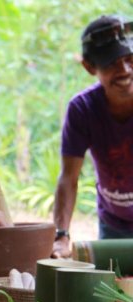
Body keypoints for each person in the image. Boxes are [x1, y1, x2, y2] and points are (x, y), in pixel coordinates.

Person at [52, 15, 133, 258]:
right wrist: (61, 236)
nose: (125, 70)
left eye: (130, 60)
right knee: (114, 293)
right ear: (89, 67)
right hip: (113, 225)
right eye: (111, 63)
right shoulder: (82, 109)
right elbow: (69, 178)